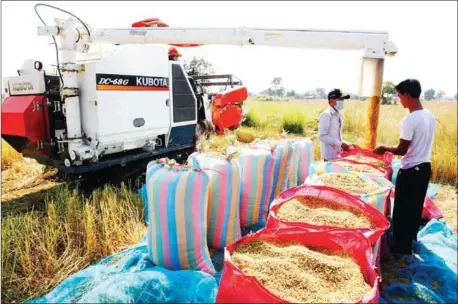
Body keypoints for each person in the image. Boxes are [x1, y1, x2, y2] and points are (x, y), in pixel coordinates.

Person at [373, 79, 436, 255]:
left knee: (402, 209)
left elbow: (402, 149)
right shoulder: (429, 115)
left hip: (410, 170)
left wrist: (384, 148)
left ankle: (401, 247)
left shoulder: (410, 120)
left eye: (400, 96)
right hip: (424, 167)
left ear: (407, 96)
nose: (399, 99)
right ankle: (409, 240)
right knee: (414, 207)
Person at [318, 89, 353, 161]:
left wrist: (343, 143)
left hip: (338, 155)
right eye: (340, 99)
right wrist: (340, 144)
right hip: (329, 156)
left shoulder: (338, 115)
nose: (342, 101)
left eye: (343, 99)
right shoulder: (326, 115)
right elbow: (322, 136)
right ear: (331, 101)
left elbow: (336, 134)